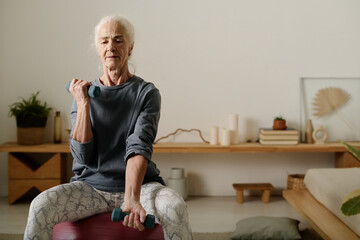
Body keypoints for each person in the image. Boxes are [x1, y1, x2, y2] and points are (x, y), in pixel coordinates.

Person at [24, 15, 193, 240]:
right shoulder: (81, 94)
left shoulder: (147, 93)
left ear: (130, 47)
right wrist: (84, 104)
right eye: (104, 41)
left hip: (141, 187)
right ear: (98, 47)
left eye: (118, 40)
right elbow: (83, 157)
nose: (111, 47)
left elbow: (138, 146)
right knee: (39, 206)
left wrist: (131, 198)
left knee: (175, 207)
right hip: (91, 188)